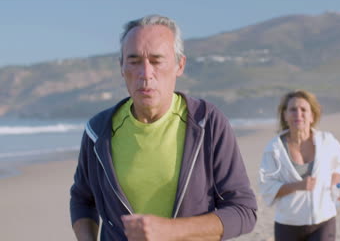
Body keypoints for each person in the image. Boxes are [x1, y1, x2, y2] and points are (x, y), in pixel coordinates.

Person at [69, 14, 257, 241]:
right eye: (134, 61)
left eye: (157, 61)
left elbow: (244, 211)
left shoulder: (208, 123)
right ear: (121, 67)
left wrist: (171, 231)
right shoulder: (97, 131)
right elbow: (82, 199)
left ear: (180, 65)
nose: (146, 74)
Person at [258, 90, 340, 241]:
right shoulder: (273, 149)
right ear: (285, 115)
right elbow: (267, 187)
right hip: (288, 224)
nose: (298, 114)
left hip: (324, 220)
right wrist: (297, 186)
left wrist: (336, 185)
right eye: (293, 109)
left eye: (303, 110)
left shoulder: (327, 141)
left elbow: (338, 164)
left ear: (312, 116)